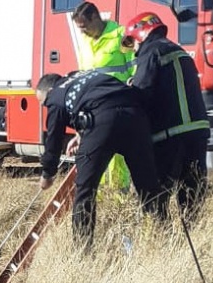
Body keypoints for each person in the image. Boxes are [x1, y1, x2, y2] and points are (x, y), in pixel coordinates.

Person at [36, 69, 163, 247]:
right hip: (134, 115)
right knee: (148, 186)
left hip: (102, 124)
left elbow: (54, 138)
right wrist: (81, 134)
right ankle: (162, 238)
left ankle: (83, 249)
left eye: (44, 103)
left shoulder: (56, 95)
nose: (47, 106)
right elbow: (95, 99)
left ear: (49, 91)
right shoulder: (82, 75)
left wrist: (48, 173)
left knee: (85, 190)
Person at [124, 12, 210, 222]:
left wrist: (129, 91)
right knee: (192, 196)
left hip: (169, 135)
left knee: (157, 197)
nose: (134, 50)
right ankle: (194, 234)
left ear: (140, 34)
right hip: (197, 132)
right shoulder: (180, 51)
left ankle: (161, 237)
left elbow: (142, 94)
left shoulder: (150, 52)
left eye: (133, 43)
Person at [72, 1, 136, 191]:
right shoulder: (85, 42)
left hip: (118, 105)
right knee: (95, 153)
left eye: (84, 26)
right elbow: (83, 75)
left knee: (117, 156)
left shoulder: (122, 35)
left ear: (95, 18)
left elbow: (135, 67)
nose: (82, 32)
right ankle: (97, 198)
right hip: (93, 108)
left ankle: (119, 197)